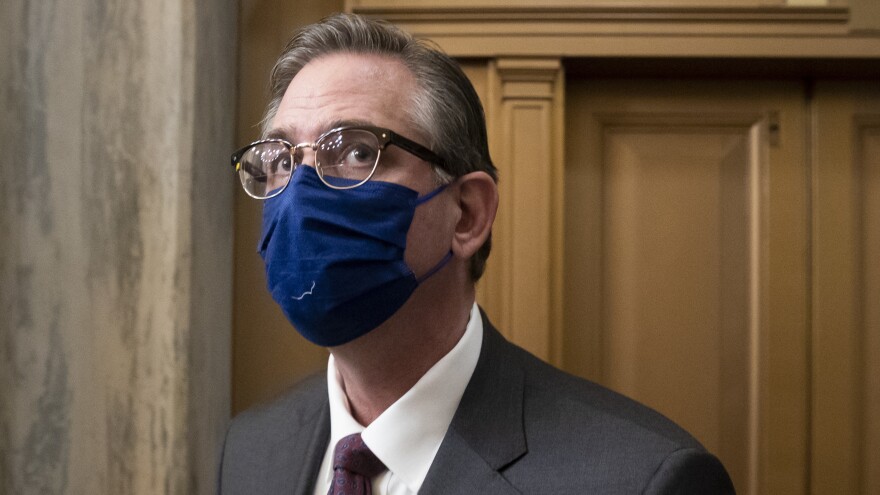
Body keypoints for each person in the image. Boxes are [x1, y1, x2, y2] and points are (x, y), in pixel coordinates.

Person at [219, 12, 734, 495]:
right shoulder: (249, 452)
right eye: (280, 159)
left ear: (467, 215)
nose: (302, 193)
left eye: (356, 152)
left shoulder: (641, 478)